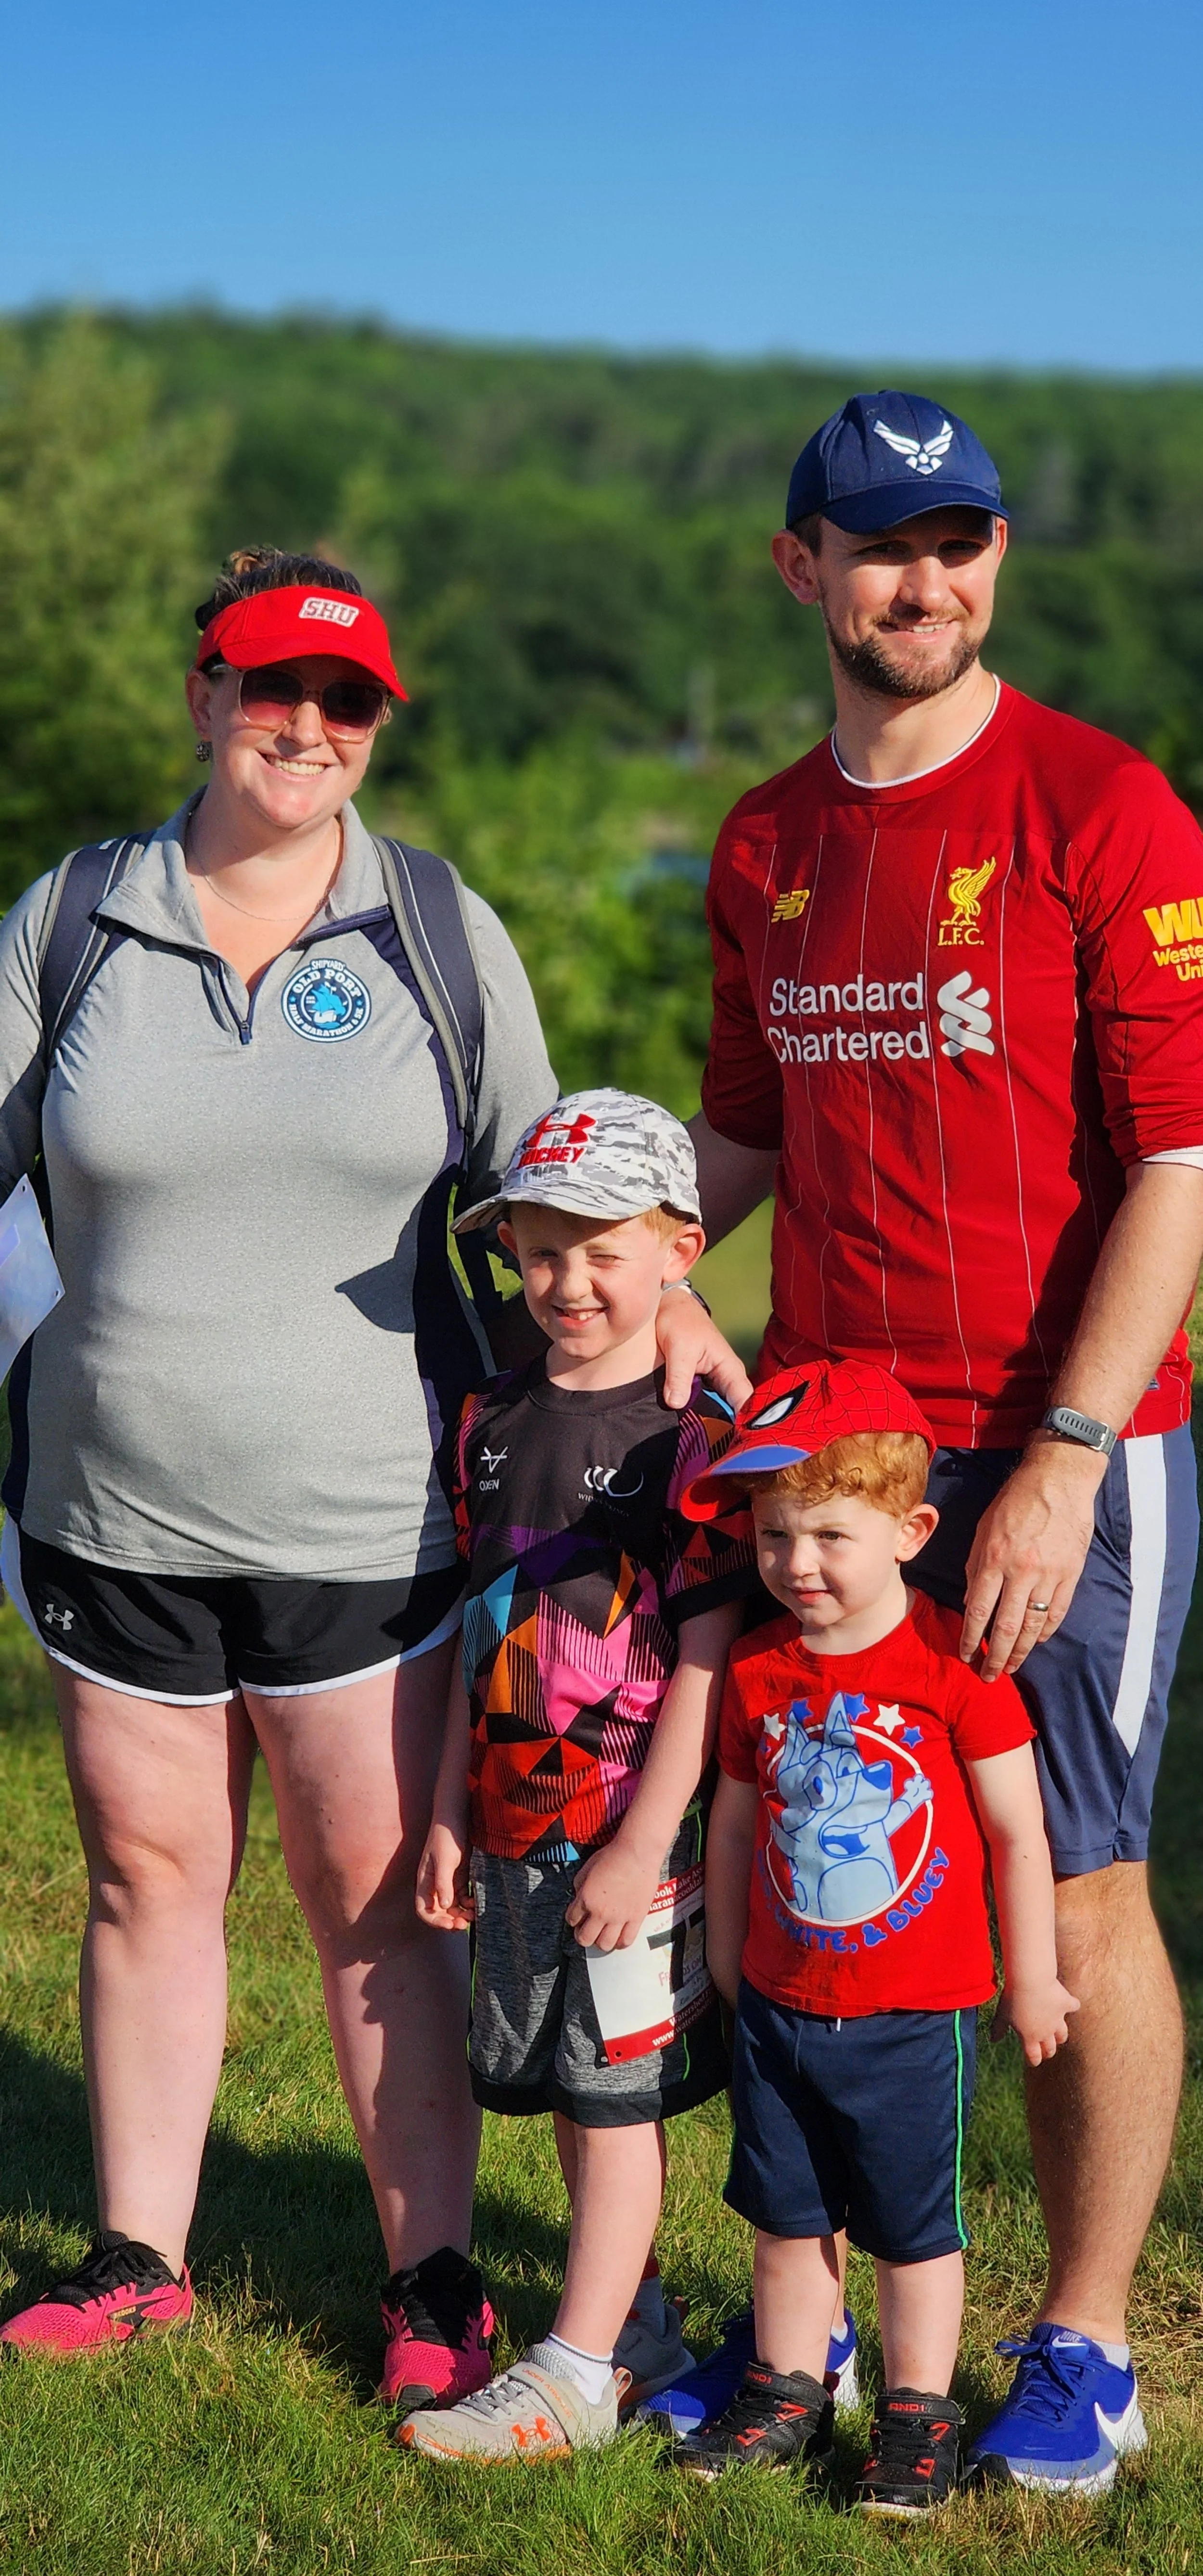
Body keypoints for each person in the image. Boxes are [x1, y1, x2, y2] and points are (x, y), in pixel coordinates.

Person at [0, 556, 735, 2397]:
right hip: (108, 1508)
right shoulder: (77, 915)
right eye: (273, 692)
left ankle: (428, 2282)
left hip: (368, 1516)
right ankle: (140, 2253)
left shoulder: (433, 927)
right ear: (201, 693)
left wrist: (683, 1316)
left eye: (348, 707)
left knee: (369, 1894)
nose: (309, 731)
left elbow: (560, 1194)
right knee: (144, 1873)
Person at [665, 389, 1203, 2493]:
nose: (929, 580)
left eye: (960, 538)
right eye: (882, 544)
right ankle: (803, 2329)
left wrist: (1067, 1451)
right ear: (799, 568)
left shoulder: (1105, 806)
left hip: (1061, 1434)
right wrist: (611, 1269)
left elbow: (1177, 1166)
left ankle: (1078, 2344)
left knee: (1067, 1888)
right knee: (809, 1889)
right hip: (828, 1468)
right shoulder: (760, 843)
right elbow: (738, 1137)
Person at [403, 1091, 757, 2461]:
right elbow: (478, 1630)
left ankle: (576, 2370)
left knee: (614, 2110)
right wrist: (444, 1812)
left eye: (601, 1249)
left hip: (632, 1851)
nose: (567, 1281)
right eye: (540, 1251)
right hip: (508, 1834)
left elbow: (711, 1660)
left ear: (679, 1247)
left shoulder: (692, 1443)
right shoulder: (489, 1420)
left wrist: (640, 1845)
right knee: (564, 2093)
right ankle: (641, 2328)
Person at [671, 1358, 1080, 2511]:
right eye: (770, 1538)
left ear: (909, 1531)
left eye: (826, 1538)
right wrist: (721, 1951)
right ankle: (787, 2391)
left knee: (910, 2231)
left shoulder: (954, 1668)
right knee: (785, 2217)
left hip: (911, 2018)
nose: (793, 1566)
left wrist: (1032, 1978)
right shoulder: (757, 1667)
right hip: (778, 2004)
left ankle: (915, 2416)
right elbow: (737, 1812)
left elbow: (1013, 1832)